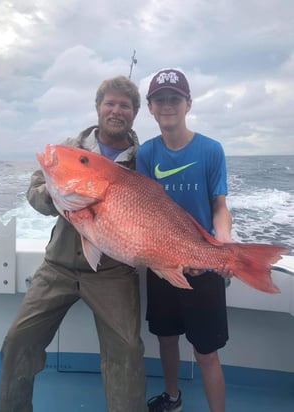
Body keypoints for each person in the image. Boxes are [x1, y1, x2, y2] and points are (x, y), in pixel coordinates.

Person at [0, 76, 148, 412]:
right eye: (109, 103)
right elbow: (35, 191)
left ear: (135, 113)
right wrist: (56, 196)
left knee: (127, 350)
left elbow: (154, 210)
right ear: (97, 107)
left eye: (125, 105)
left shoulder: (142, 161)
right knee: (18, 340)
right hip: (59, 266)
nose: (116, 110)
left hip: (113, 272)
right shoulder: (68, 151)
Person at [136, 68, 233, 412]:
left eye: (174, 98)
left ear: (188, 103)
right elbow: (144, 213)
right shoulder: (146, 155)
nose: (167, 105)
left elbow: (219, 207)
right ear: (149, 107)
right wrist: (166, 256)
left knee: (206, 352)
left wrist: (221, 244)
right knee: (166, 338)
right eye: (159, 99)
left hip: (203, 267)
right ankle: (173, 396)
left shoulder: (211, 150)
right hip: (162, 265)